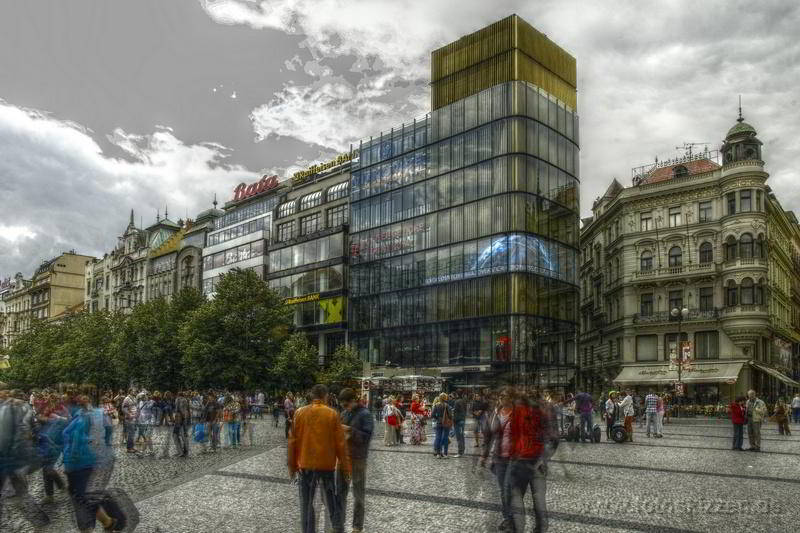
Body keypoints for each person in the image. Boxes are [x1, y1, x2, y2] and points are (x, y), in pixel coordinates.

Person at [288, 384, 351, 533]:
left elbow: (292, 442)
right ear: (326, 396)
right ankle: (337, 528)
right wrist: (346, 468)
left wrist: (292, 467)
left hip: (305, 465)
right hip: (326, 465)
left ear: (312, 396)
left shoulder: (299, 413)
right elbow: (340, 444)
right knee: (332, 503)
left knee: (306, 505)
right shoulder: (332, 414)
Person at [507, 389, 552, 533]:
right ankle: (541, 528)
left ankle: (519, 529)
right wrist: (543, 458)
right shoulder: (543, 413)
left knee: (516, 494)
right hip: (537, 460)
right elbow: (553, 439)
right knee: (539, 497)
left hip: (519, 459)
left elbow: (511, 435)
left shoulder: (516, 411)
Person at [336, 388, 373, 533]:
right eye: (342, 406)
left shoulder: (365, 414)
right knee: (340, 493)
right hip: (344, 458)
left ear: (353, 400)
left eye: (346, 405)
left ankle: (357, 527)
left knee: (358, 495)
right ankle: (339, 524)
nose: (344, 408)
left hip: (358, 459)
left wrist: (350, 431)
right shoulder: (344, 413)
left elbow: (366, 438)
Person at [479, 387, 515, 531]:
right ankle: (508, 518)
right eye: (500, 395)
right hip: (499, 458)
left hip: (515, 458)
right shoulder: (494, 414)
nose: (501, 397)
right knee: (503, 490)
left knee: (509, 489)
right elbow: (488, 437)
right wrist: (484, 455)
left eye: (504, 395)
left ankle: (510, 519)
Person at [431, 393, 453, 458]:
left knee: (438, 438)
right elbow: (450, 415)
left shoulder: (436, 405)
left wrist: (437, 418)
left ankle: (438, 453)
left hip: (438, 423)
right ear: (445, 398)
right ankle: (445, 454)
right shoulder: (447, 406)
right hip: (446, 423)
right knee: (445, 438)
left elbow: (432, 415)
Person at [173, 391, 191, 457]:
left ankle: (180, 452)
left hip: (179, 419)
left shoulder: (178, 400)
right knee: (185, 435)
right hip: (185, 419)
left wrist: (177, 419)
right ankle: (186, 451)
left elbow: (178, 409)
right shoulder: (186, 400)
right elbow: (188, 411)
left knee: (175, 435)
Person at [120, 389, 138, 454]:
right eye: (133, 391)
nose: (134, 392)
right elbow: (123, 408)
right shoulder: (127, 398)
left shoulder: (135, 398)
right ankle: (129, 448)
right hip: (129, 418)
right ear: (130, 391)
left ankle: (132, 447)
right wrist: (129, 414)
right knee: (130, 433)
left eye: (135, 391)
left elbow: (136, 407)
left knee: (133, 433)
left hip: (134, 418)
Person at [452, 392, 467, 457]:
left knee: (459, 437)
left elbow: (455, 411)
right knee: (461, 436)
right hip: (462, 420)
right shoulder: (464, 401)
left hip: (458, 421)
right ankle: (462, 451)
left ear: (457, 395)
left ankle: (460, 452)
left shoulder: (457, 402)